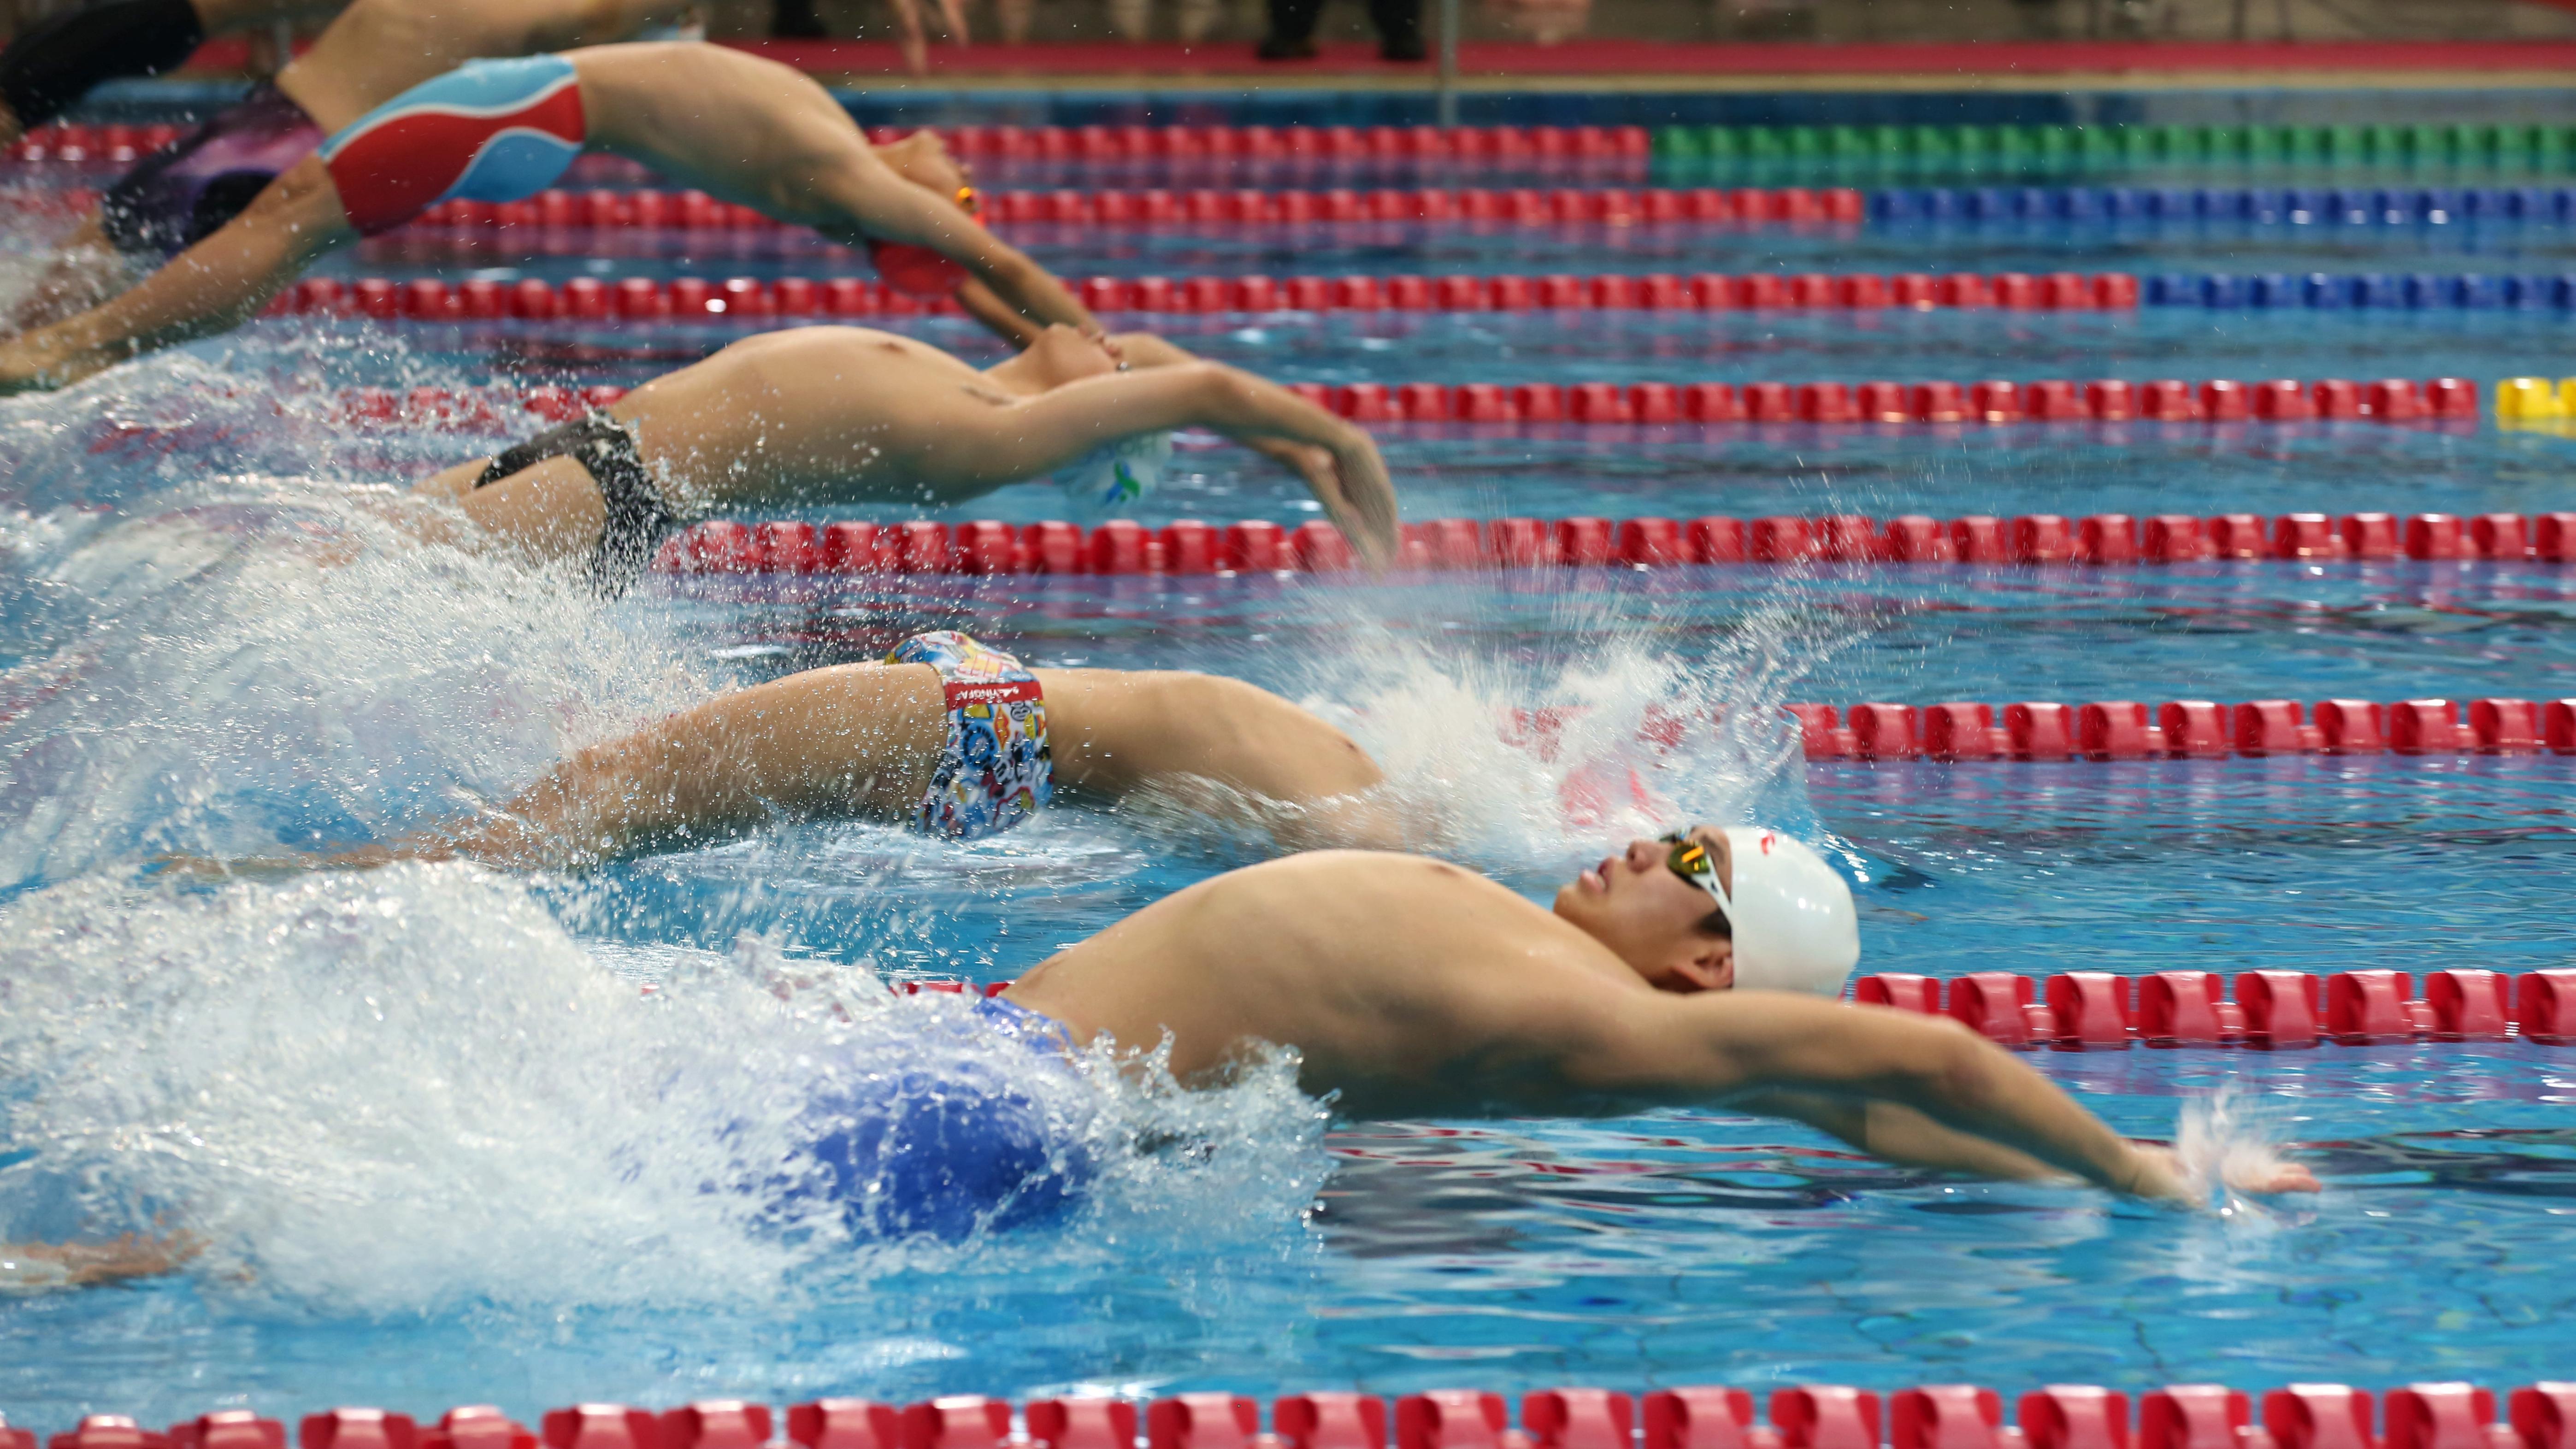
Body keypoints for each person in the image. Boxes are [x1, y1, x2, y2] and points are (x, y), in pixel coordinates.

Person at [996, 826, 2324, 1202]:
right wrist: (2096, 1165)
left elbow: (1923, 1061)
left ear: (1706, 967)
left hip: (983, 1103)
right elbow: (1866, 1115)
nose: (1643, 845)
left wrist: (2139, 1180)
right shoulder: (1573, 990)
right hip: (990, 1078)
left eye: (1688, 865)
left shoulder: (1597, 1022)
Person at [0, 42, 1101, 391]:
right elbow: (973, 281)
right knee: (291, 224)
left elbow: (994, 263)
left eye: (960, 192)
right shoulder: (839, 159)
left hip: (518, 112)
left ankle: (67, 350)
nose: (962, 171)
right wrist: (1050, 352)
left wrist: (1099, 357)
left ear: (918, 209)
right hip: (527, 122)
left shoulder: (848, 175)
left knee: (289, 222)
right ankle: (82, 347)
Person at [216, 627, 1412, 869]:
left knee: (581, 810)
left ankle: (273, 883)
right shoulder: (1330, 794)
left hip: (970, 719)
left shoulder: (1322, 767)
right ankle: (309, 879)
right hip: (980, 740)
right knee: (589, 811)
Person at [401, 322, 1400, 591]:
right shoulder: (970, 385)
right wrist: (1292, 457)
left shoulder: (984, 437)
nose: (1112, 340)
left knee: (356, 575)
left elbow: (1202, 388)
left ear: (1098, 417)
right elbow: (1158, 364)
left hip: (608, 497)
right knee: (354, 540)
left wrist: (1341, 442)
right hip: (587, 453)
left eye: (1117, 373)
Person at [1, 0, 716, 327]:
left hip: (251, 131)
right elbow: (599, 31)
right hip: (280, 162)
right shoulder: (563, 13)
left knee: (60, 300)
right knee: (59, 332)